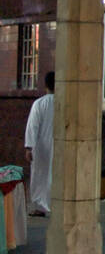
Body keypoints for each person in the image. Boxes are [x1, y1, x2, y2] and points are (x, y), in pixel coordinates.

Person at [23, 71, 54, 216]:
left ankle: (40, 206)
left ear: (45, 85)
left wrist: (29, 147)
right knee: (54, 175)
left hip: (41, 146)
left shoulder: (39, 104)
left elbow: (32, 126)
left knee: (39, 175)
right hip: (58, 146)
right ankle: (54, 204)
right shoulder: (64, 103)